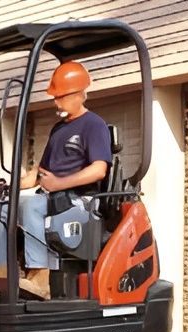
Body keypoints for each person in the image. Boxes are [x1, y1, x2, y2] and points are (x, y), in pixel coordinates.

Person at [18, 61, 112, 300]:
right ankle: (1, 275)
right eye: (55, 97)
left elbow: (99, 169)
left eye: (60, 97)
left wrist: (59, 184)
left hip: (82, 202)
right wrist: (12, 186)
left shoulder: (94, 125)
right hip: (53, 198)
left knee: (30, 206)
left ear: (79, 94)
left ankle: (41, 280)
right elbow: (39, 173)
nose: (56, 103)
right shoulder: (58, 129)